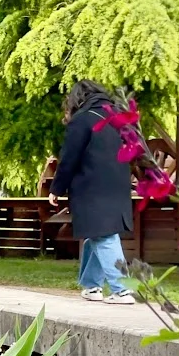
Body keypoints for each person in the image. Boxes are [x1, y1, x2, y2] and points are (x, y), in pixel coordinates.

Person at [50, 80, 135, 304]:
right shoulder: (118, 119)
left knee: (104, 235)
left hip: (92, 187)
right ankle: (91, 286)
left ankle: (121, 289)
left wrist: (56, 188)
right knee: (97, 233)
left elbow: (69, 159)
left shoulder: (82, 120)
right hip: (118, 184)